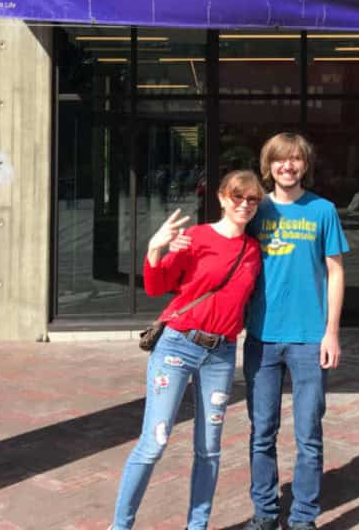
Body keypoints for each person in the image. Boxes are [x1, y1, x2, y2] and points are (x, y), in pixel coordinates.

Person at [110, 170, 265, 530]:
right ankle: (120, 526)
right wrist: (155, 246)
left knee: (209, 449)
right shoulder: (196, 237)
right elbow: (156, 285)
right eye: (237, 197)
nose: (244, 204)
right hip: (177, 346)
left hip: (222, 354)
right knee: (155, 442)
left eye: (252, 200)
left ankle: (198, 526)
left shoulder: (254, 251)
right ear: (223, 198)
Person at [244, 132, 348, 530]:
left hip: (309, 339)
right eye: (279, 160)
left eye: (295, 160)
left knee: (308, 434)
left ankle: (304, 517)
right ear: (268, 165)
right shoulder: (255, 210)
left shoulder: (323, 210)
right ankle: (265, 513)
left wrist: (332, 332)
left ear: (305, 165)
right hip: (262, 338)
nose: (287, 167)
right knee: (262, 432)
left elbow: (336, 271)